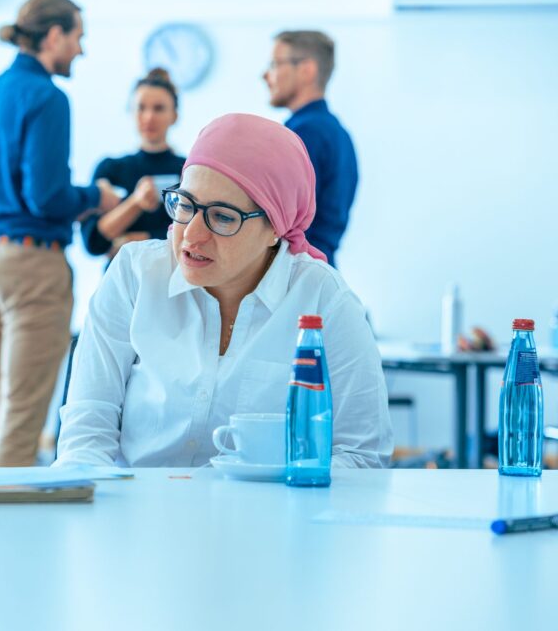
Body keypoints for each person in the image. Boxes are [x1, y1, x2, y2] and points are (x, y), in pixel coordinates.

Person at [54, 113, 392, 468]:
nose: (191, 233)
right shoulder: (135, 275)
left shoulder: (325, 301)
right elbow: (86, 431)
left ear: (275, 228)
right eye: (185, 205)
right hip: (135, 512)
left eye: (223, 217)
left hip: (268, 518)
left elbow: (361, 455)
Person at [0, 0, 120, 467]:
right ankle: (6, 525)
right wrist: (97, 198)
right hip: (32, 262)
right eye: (78, 38)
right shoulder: (48, 97)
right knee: (24, 410)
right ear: (54, 36)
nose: (81, 50)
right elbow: (47, 196)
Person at [263, 30, 358, 268]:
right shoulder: (335, 131)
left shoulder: (304, 134)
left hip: (294, 274)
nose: (266, 75)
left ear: (307, 70)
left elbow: (281, 219)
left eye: (275, 64)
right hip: (316, 270)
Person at [81, 68, 186, 260]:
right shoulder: (110, 169)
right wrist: (136, 202)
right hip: (119, 282)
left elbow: (194, 234)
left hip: (173, 279)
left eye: (159, 108)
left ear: (174, 116)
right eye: (141, 107)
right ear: (130, 111)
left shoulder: (188, 171)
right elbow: (93, 242)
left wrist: (142, 240)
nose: (148, 117)